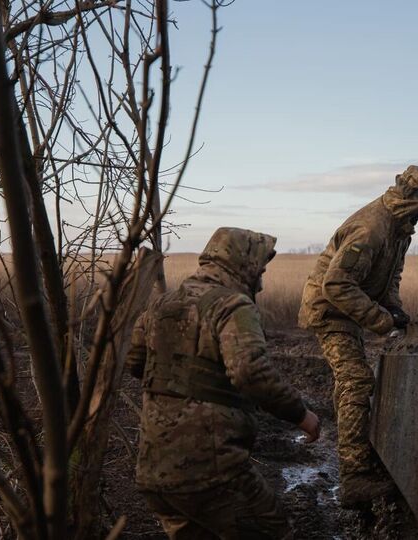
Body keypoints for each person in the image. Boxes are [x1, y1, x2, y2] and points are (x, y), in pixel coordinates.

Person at [128, 227, 321, 539]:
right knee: (272, 532)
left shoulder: (159, 306)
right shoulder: (232, 306)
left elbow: (135, 362)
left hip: (153, 469)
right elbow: (250, 371)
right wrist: (301, 415)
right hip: (211, 470)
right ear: (242, 266)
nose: (262, 276)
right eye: (260, 268)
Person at [298, 165, 418, 508]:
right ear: (411, 199)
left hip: (349, 307)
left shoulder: (400, 229)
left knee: (355, 379)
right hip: (330, 310)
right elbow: (334, 285)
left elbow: (391, 278)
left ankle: (361, 455)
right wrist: (381, 320)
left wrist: (396, 310)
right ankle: (354, 478)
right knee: (356, 380)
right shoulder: (371, 228)